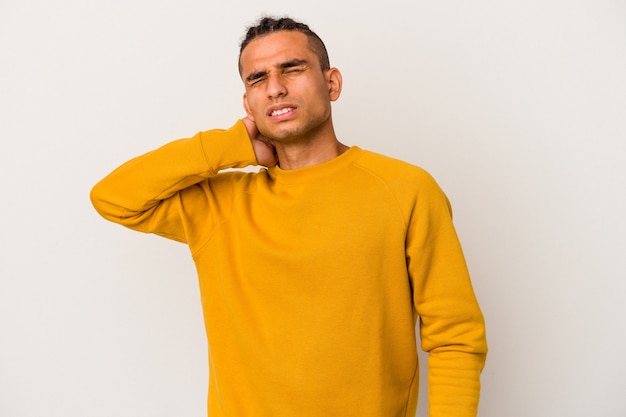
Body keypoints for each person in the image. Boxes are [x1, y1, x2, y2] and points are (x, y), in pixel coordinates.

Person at [90, 16, 487, 417]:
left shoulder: (406, 189)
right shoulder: (220, 206)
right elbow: (114, 197)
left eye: (292, 69)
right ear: (248, 104)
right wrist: (231, 145)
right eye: (257, 79)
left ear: (331, 83)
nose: (275, 88)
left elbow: (455, 336)